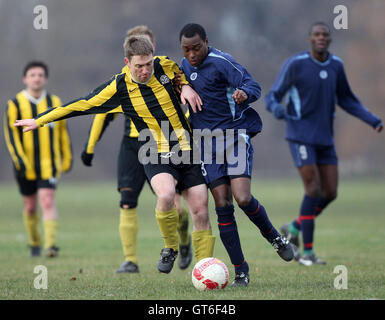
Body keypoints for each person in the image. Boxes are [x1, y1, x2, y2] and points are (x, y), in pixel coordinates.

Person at [15, 36, 215, 274]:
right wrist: (40, 120)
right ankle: (170, 247)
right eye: (138, 66)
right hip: (155, 151)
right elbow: (81, 104)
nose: (145, 70)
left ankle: (205, 272)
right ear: (127, 62)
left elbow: (183, 76)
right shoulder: (118, 88)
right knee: (166, 195)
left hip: (187, 149)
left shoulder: (165, 65)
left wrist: (187, 87)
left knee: (201, 210)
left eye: (148, 64)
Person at [179, 23, 294, 287]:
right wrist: (181, 86)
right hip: (207, 145)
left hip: (234, 137)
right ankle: (241, 270)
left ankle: (275, 237)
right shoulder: (182, 68)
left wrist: (245, 93)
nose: (192, 54)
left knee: (242, 198)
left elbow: (252, 84)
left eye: (196, 48)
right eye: (186, 50)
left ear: (206, 41)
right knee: (222, 205)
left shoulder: (222, 62)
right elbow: (169, 77)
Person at [265, 22, 383, 266]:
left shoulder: (336, 66)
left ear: (329, 40)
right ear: (309, 39)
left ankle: (294, 227)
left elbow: (348, 100)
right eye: (316, 34)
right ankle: (307, 253)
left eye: (325, 35)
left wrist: (372, 120)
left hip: (325, 139)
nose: (321, 38)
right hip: (299, 136)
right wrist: (277, 108)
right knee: (313, 189)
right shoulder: (295, 64)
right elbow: (273, 95)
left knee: (330, 193)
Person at [80, 26, 192, 274]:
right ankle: (130, 260)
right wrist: (89, 147)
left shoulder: (164, 73)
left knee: (174, 201)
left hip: (164, 143)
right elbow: (101, 114)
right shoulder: (121, 82)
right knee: (127, 201)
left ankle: (183, 241)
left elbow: (181, 105)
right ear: (129, 58)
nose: (143, 67)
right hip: (133, 144)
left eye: (148, 57)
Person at [4, 61, 72, 258]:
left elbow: (62, 134)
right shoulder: (15, 104)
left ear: (46, 79)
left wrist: (67, 158)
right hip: (25, 166)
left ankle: (51, 246)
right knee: (30, 206)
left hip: (49, 165)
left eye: (40, 75)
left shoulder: (55, 102)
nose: (36, 78)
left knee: (47, 200)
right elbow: (11, 136)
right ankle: (34, 242)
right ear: (25, 79)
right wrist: (20, 160)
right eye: (32, 75)